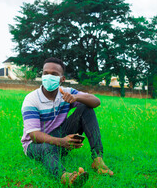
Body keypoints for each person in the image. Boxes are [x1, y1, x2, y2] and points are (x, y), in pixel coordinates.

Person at [21, 57, 113, 187]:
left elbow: (96, 101)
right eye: (45, 73)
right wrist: (62, 142)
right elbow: (34, 136)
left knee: (85, 108)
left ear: (62, 79)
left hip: (59, 136)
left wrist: (76, 97)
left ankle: (98, 159)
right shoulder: (31, 99)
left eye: (54, 74)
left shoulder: (66, 93)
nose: (48, 77)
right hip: (35, 145)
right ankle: (65, 176)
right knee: (47, 147)